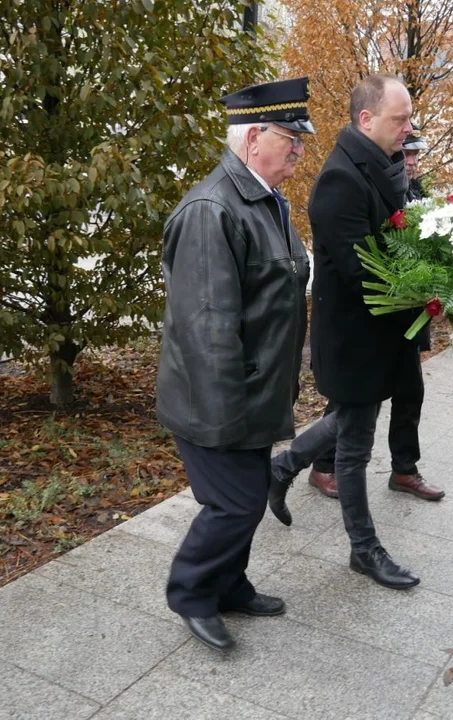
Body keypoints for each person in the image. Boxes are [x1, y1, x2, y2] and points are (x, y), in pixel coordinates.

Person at [155, 77, 314, 652]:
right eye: (290, 138)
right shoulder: (211, 209)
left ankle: (229, 584)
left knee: (243, 499)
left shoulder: (265, 201)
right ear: (253, 138)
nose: (299, 149)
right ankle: (192, 592)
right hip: (219, 399)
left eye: (301, 140)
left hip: (253, 391)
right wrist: (229, 417)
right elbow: (207, 327)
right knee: (237, 502)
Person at [270, 74, 426, 592]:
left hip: (382, 331)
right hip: (355, 335)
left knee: (348, 422)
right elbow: (365, 272)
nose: (407, 128)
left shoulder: (382, 165)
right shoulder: (341, 178)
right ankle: (365, 550)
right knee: (355, 444)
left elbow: (399, 242)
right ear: (366, 120)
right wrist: (423, 290)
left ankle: (284, 466)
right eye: (398, 119)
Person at [285, 127, 443, 506]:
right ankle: (320, 465)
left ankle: (404, 469)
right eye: (405, 155)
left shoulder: (414, 192)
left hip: (402, 315)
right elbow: (362, 258)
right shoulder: (350, 181)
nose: (411, 162)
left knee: (410, 392)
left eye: (415, 156)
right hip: (366, 316)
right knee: (353, 402)